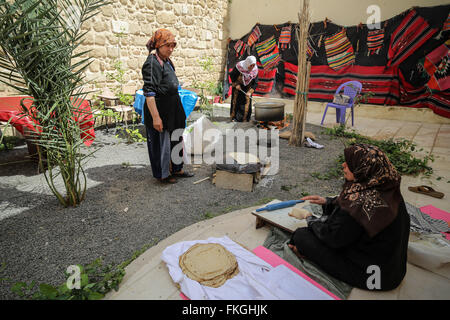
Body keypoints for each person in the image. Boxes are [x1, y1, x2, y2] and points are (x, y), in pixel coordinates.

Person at [288, 144, 410, 291]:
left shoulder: (359, 204)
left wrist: (309, 218)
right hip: (392, 271)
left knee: (301, 236)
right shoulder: (386, 186)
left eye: (350, 164)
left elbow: (332, 238)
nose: (343, 165)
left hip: (373, 277)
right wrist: (328, 202)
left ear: (363, 170)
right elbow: (349, 211)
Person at [142, 29, 194, 184]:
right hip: (161, 110)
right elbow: (149, 93)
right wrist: (156, 118)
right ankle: (163, 174)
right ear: (158, 45)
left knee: (176, 139)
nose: (171, 49)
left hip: (173, 108)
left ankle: (177, 169)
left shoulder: (166, 60)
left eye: (173, 46)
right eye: (167, 46)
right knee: (162, 144)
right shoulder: (152, 63)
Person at [229, 56, 259, 122]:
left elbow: (255, 82)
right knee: (236, 102)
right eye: (251, 65)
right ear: (247, 63)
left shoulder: (255, 70)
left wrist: (250, 92)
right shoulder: (239, 67)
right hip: (238, 87)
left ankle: (245, 118)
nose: (252, 67)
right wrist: (236, 84)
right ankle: (235, 118)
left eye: (253, 65)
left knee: (246, 103)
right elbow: (232, 75)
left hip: (248, 88)